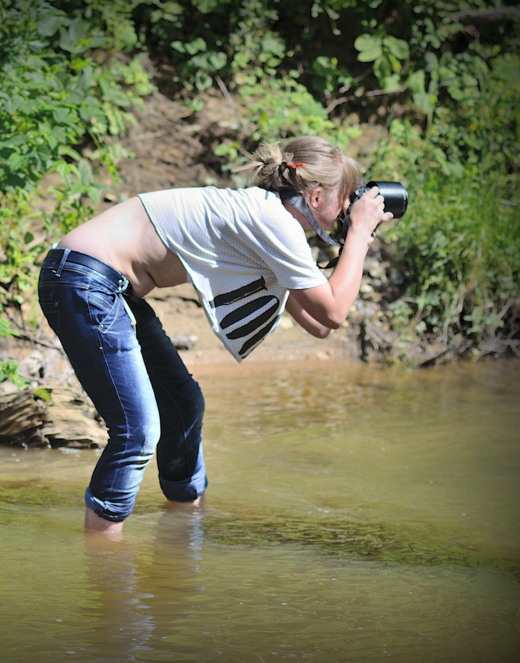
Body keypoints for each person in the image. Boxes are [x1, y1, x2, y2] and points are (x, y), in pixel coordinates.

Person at [37, 136, 394, 533]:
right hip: (84, 280)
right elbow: (336, 311)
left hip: (102, 285)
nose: (348, 211)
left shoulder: (270, 222)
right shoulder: (272, 221)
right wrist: (359, 234)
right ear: (315, 197)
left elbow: (320, 326)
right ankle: (104, 562)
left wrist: (355, 234)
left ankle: (186, 531)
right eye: (345, 200)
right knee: (137, 431)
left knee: (182, 404)